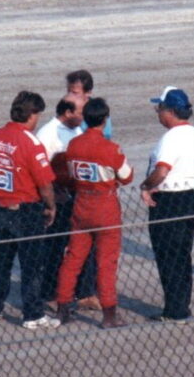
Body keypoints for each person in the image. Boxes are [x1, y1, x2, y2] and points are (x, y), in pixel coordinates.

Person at [0, 91, 61, 330]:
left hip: (1, 207)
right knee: (32, 265)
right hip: (27, 208)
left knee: (1, 261)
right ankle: (33, 315)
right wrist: (51, 206)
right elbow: (45, 183)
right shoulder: (29, 141)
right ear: (32, 115)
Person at [54, 98, 134, 328]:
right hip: (105, 206)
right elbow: (127, 176)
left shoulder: (74, 145)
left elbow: (69, 174)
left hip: (81, 204)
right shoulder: (110, 148)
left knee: (73, 258)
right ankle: (109, 315)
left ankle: (62, 308)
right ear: (105, 119)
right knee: (106, 262)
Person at [139, 87, 194, 323]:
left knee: (167, 254)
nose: (157, 113)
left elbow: (161, 171)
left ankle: (174, 309)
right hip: (189, 198)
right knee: (182, 253)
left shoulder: (170, 138)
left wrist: (146, 186)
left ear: (170, 111)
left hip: (169, 199)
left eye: (159, 108)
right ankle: (181, 304)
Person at [35, 97, 95, 308]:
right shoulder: (48, 134)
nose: (84, 116)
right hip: (57, 199)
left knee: (83, 243)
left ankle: (84, 292)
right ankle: (49, 294)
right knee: (53, 248)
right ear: (68, 113)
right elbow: (40, 170)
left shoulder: (76, 130)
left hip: (75, 196)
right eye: (80, 112)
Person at [65, 69, 113, 139]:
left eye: (74, 93)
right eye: (68, 92)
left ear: (88, 93)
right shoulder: (65, 109)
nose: (70, 96)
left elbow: (106, 135)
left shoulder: (99, 110)